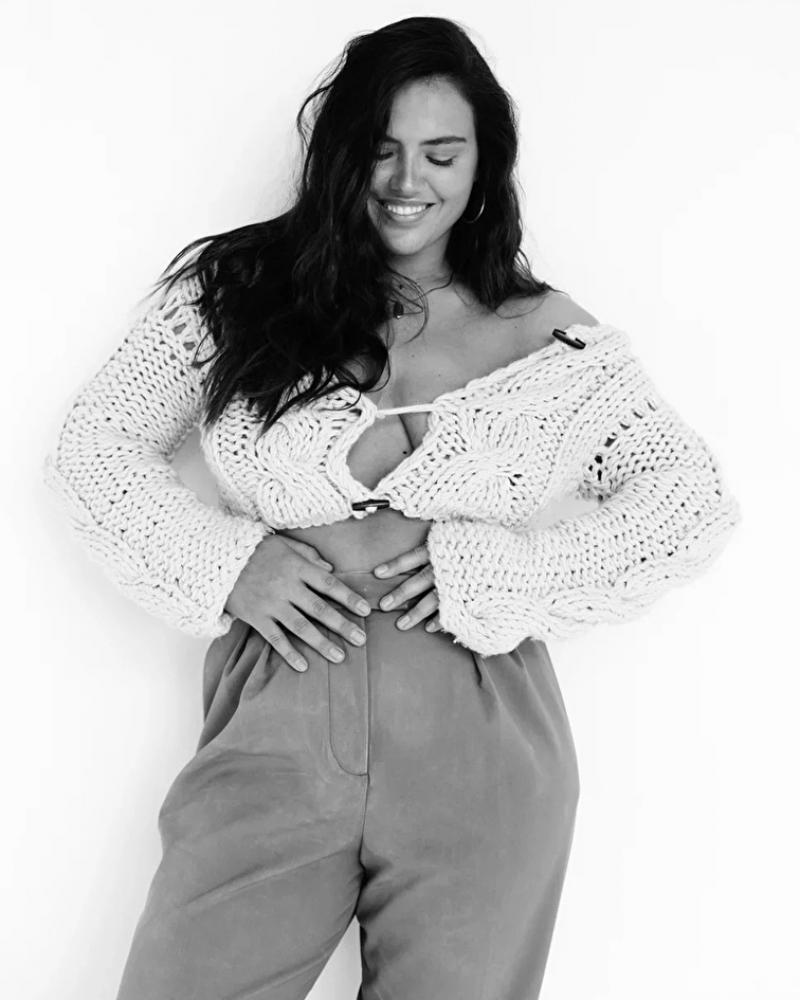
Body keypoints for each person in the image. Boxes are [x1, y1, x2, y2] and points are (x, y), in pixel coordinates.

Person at [41, 16, 742, 1000]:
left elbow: (688, 500)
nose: (408, 180)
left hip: (481, 741)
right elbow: (95, 443)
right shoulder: (236, 295)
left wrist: (511, 574)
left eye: (442, 154)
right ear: (341, 154)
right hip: (278, 720)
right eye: (381, 149)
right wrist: (227, 563)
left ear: (484, 165)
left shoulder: (548, 335)